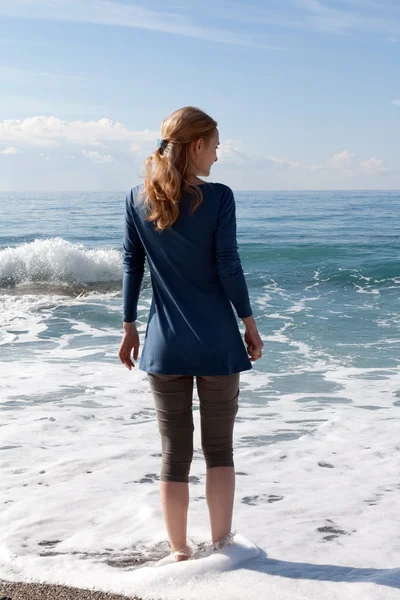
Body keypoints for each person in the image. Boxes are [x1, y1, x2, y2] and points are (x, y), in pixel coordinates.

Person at [118, 106, 263, 563]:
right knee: (219, 450)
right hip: (217, 344)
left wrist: (128, 327)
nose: (218, 156)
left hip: (163, 345)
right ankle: (222, 549)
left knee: (172, 455)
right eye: (216, 146)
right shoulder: (219, 198)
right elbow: (228, 265)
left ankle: (179, 553)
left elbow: (132, 266)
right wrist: (249, 322)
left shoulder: (136, 199)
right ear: (197, 145)